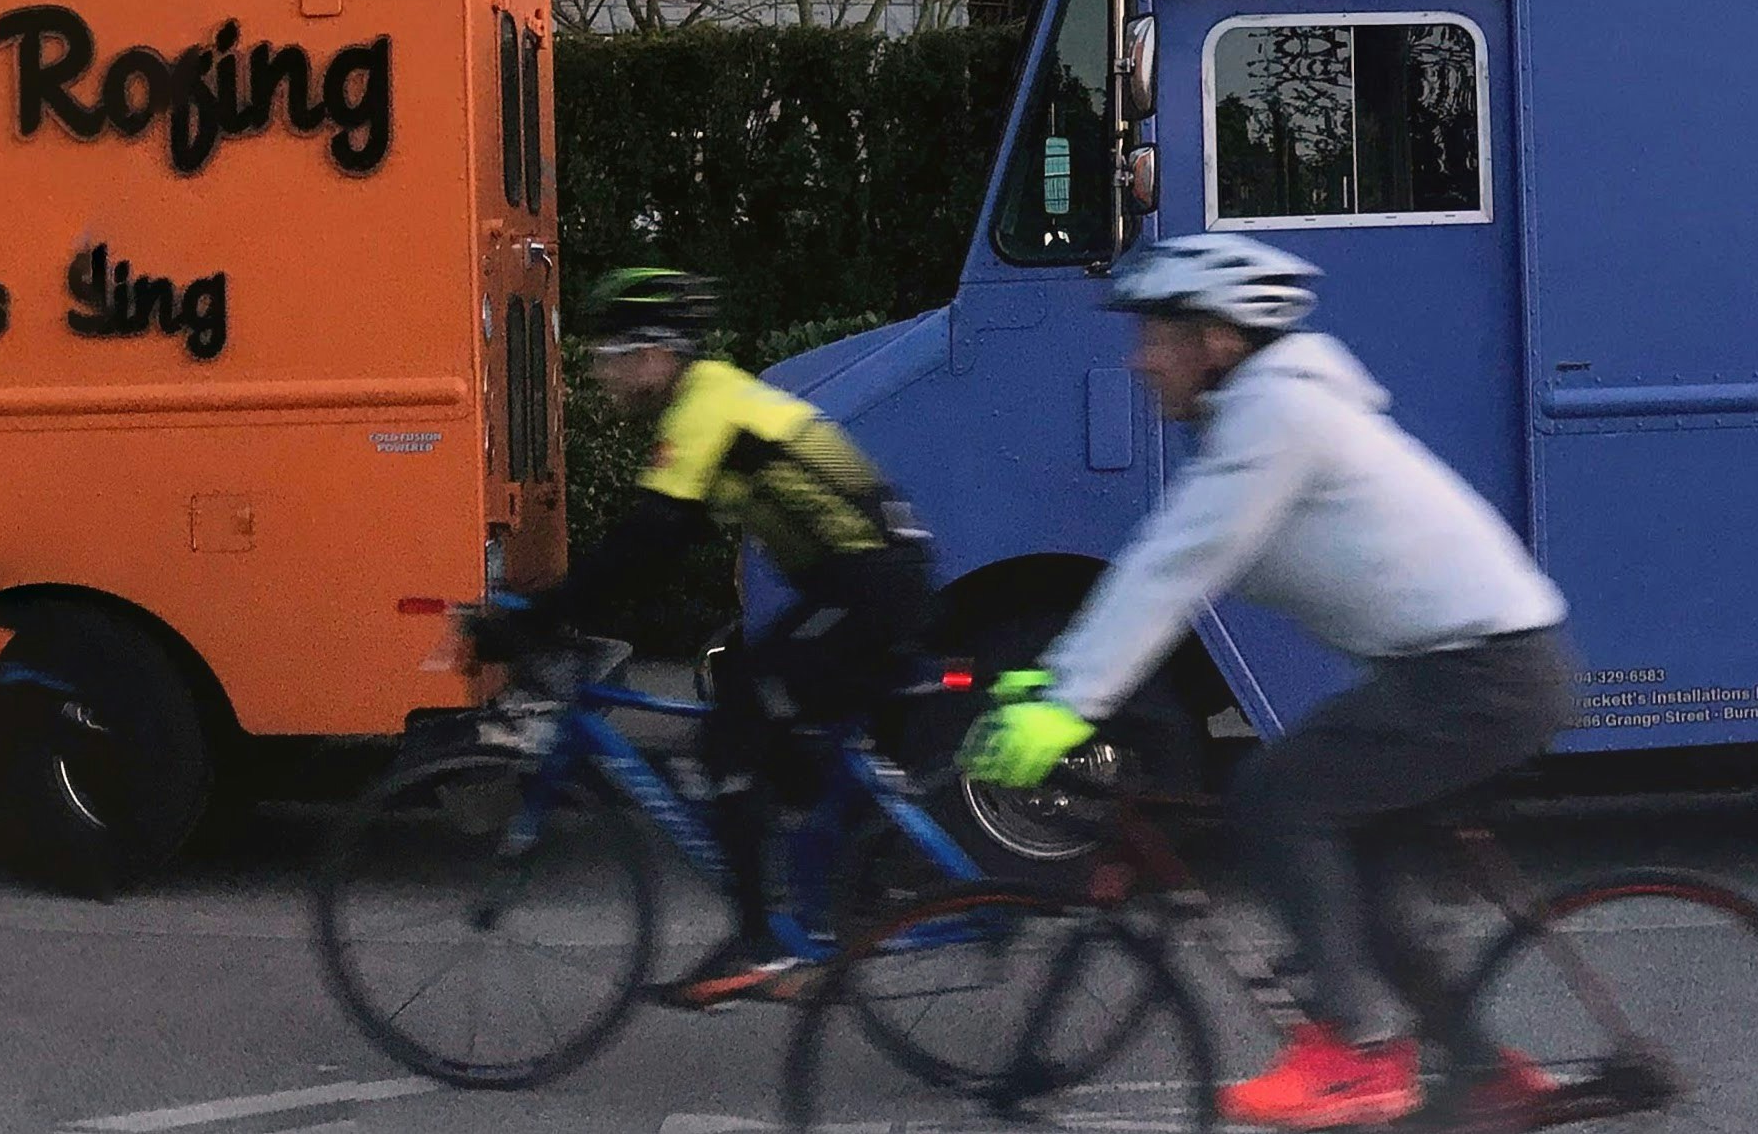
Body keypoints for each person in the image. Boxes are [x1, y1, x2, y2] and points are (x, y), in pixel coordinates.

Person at [963, 233, 1575, 1132]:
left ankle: (1357, 1053)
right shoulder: (1261, 415)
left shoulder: (1278, 416)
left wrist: (1066, 706)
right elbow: (1164, 567)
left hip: (1483, 672)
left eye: (1157, 336)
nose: (1140, 360)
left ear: (1217, 338)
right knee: (1362, 889)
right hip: (1475, 667)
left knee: (1279, 796)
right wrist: (1058, 681)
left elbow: (1175, 566)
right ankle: (1481, 1070)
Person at [476, 265, 937, 1010]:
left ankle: (765, 946)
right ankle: (834, 890)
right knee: (743, 689)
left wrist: (536, 616)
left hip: (870, 583)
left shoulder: (704, 407)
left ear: (654, 354)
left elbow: (645, 536)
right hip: (857, 580)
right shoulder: (708, 402)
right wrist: (568, 609)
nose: (605, 379)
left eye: (611, 360)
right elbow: (664, 545)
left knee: (735, 726)